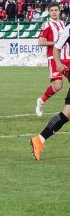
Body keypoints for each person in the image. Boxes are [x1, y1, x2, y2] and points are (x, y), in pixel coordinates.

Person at [30, 23, 70, 161]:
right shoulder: (68, 29)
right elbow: (57, 48)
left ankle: (39, 139)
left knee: (67, 112)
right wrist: (58, 63)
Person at [35, 2, 69, 116]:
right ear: (49, 12)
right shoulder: (47, 25)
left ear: (59, 11)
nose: (54, 12)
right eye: (52, 10)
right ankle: (41, 100)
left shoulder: (63, 24)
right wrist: (56, 43)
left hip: (67, 57)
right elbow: (40, 42)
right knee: (59, 85)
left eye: (56, 10)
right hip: (53, 58)